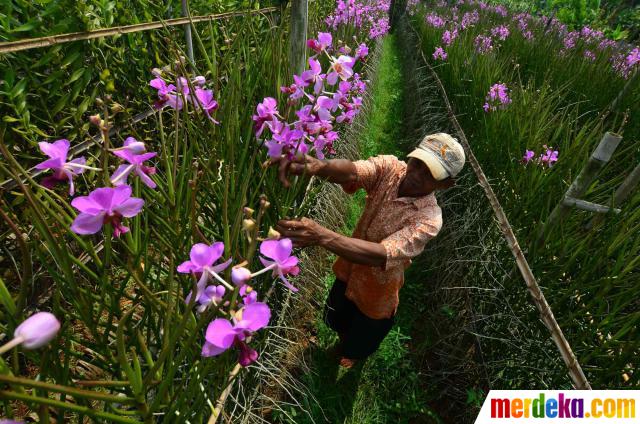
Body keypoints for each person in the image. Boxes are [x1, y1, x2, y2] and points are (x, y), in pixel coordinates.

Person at [268, 133, 466, 368]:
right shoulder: (391, 169)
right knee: (338, 315)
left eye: (430, 174)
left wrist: (322, 236)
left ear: (446, 184)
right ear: (410, 157)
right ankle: (341, 342)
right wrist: (318, 166)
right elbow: (353, 171)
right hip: (348, 270)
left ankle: (351, 355)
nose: (416, 175)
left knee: (363, 335)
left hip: (378, 291)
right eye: (417, 164)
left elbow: (381, 254)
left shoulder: (429, 220)